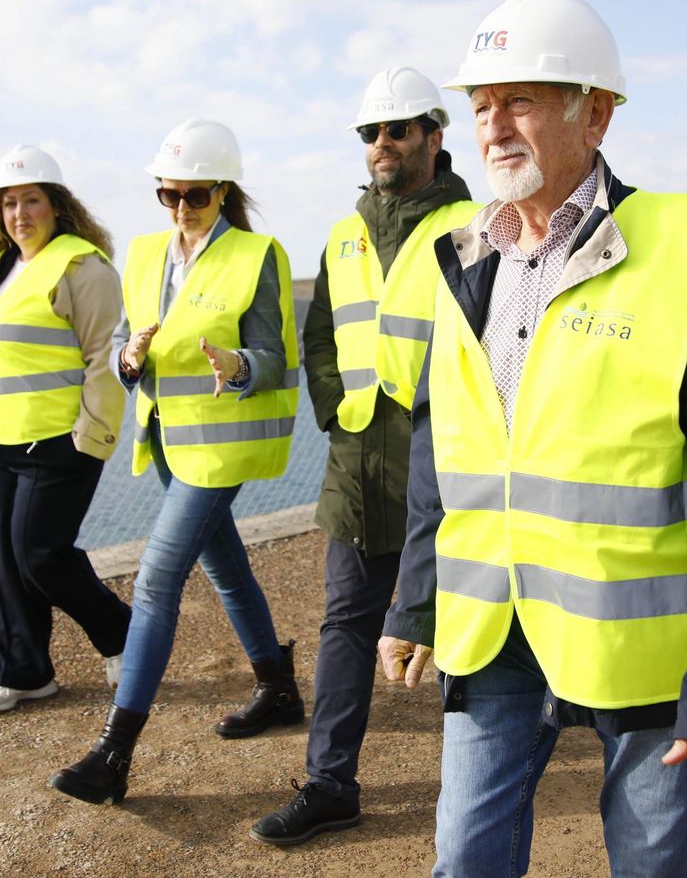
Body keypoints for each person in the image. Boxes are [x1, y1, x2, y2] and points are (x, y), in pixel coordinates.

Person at [377, 0, 687, 877]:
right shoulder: (460, 256)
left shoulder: (683, 250)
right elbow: (439, 450)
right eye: (482, 106)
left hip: (637, 640)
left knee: (648, 862)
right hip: (491, 624)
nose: (494, 126)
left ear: (595, 114)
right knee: (463, 856)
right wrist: (415, 600)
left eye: (521, 99)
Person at [250, 69, 477, 846]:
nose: (382, 144)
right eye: (371, 133)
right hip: (358, 461)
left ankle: (477, 788)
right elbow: (320, 337)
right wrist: (333, 413)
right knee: (346, 621)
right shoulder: (344, 234)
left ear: (433, 135)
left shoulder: (477, 226)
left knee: (463, 624)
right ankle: (329, 785)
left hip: (446, 458)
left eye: (399, 129)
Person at [50, 119, 302, 805]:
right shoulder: (142, 256)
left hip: (221, 448)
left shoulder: (257, 255)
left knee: (158, 580)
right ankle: (277, 687)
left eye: (196, 195)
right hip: (165, 438)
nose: (182, 209)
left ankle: (114, 753)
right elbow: (133, 351)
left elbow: (276, 358)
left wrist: (239, 364)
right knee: (225, 565)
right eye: (169, 195)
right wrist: (129, 360)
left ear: (224, 192)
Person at [0, 145, 131, 713]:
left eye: (31, 201)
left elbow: (105, 356)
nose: (19, 214)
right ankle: (25, 672)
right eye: (8, 203)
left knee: (39, 553)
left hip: (60, 439)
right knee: (6, 558)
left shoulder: (83, 267)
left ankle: (123, 634)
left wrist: (95, 432)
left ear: (57, 206)